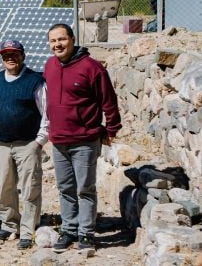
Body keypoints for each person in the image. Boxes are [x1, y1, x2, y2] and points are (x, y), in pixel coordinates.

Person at [44, 24, 122, 253]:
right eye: (53, 41)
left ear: (72, 39)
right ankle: (69, 230)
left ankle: (86, 233)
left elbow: (109, 101)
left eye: (61, 39)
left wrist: (111, 129)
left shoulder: (92, 67)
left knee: (85, 189)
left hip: (85, 140)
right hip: (58, 140)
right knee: (65, 188)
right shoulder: (49, 65)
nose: (57, 44)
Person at [0, 40, 48, 250]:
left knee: (30, 188)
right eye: (6, 55)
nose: (10, 58)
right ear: (1, 58)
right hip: (2, 144)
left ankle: (27, 230)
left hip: (28, 143)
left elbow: (46, 111)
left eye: (14, 54)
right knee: (5, 186)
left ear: (23, 56)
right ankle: (9, 224)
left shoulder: (35, 81)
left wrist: (40, 141)